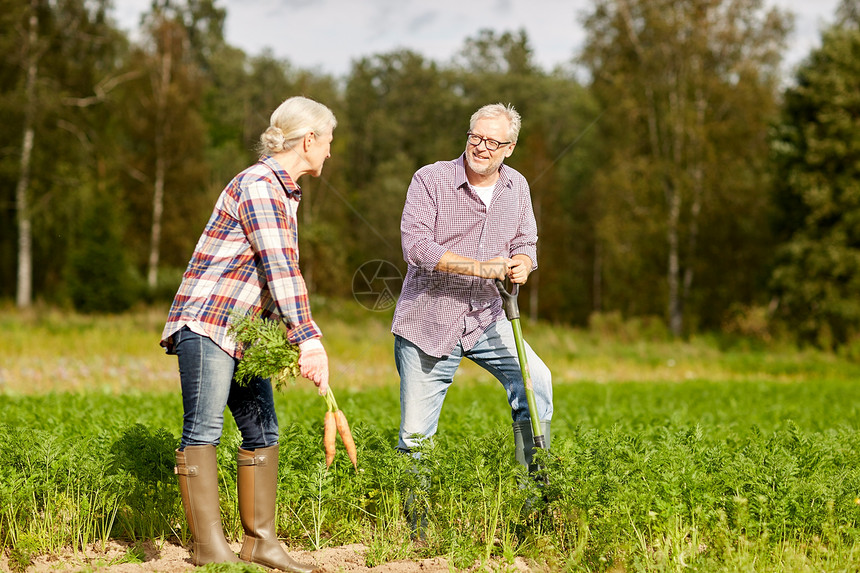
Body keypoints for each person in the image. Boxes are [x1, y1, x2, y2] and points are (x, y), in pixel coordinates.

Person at [160, 96, 335, 573]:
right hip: (211, 321)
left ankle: (260, 543)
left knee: (262, 429)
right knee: (204, 429)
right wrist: (308, 339)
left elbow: (270, 273)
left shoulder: (282, 191)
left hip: (246, 331)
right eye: (329, 141)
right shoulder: (261, 185)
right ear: (309, 140)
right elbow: (280, 268)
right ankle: (207, 550)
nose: (330, 152)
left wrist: (283, 339)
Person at [391, 102, 553, 474]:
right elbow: (416, 246)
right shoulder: (430, 179)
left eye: (492, 142)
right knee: (416, 434)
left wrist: (524, 263)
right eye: (475, 138)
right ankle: (416, 526)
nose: (480, 147)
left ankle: (534, 492)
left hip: (488, 319)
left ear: (509, 148)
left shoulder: (517, 186)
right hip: (428, 319)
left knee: (537, 381)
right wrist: (481, 269)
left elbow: (526, 240)